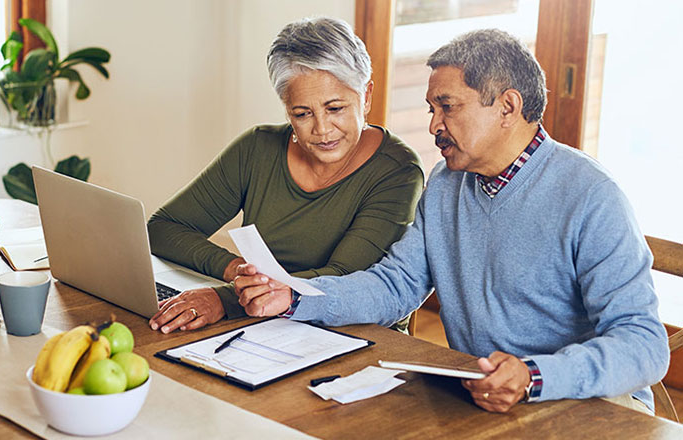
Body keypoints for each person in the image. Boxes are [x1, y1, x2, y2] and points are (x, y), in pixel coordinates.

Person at [233, 29, 669, 414]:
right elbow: (396, 285)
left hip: (589, 406)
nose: (433, 125)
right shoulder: (446, 183)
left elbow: (644, 347)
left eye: (447, 107)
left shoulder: (591, 196)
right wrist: (294, 297)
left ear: (507, 106)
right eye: (431, 109)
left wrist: (534, 376)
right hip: (484, 399)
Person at [147, 17, 424, 334]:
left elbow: (345, 278)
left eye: (335, 109)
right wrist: (238, 272)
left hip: (354, 336)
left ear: (366, 96)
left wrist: (226, 299)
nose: (321, 129)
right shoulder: (258, 148)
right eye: (302, 113)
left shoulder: (397, 171)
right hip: (263, 327)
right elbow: (163, 229)